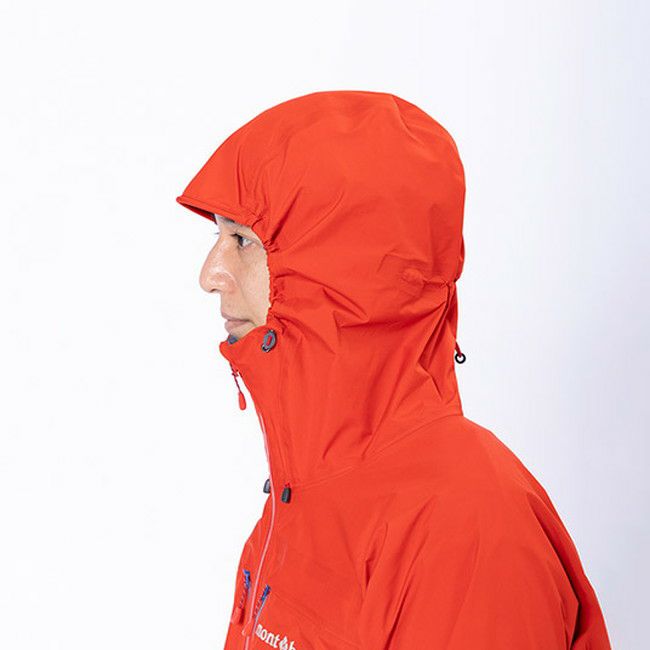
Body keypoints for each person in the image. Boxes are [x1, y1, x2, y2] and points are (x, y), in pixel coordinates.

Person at [176, 90, 612, 649]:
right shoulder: (302, 498)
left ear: (341, 271)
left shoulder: (464, 528)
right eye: (217, 236)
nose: (210, 274)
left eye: (242, 240)